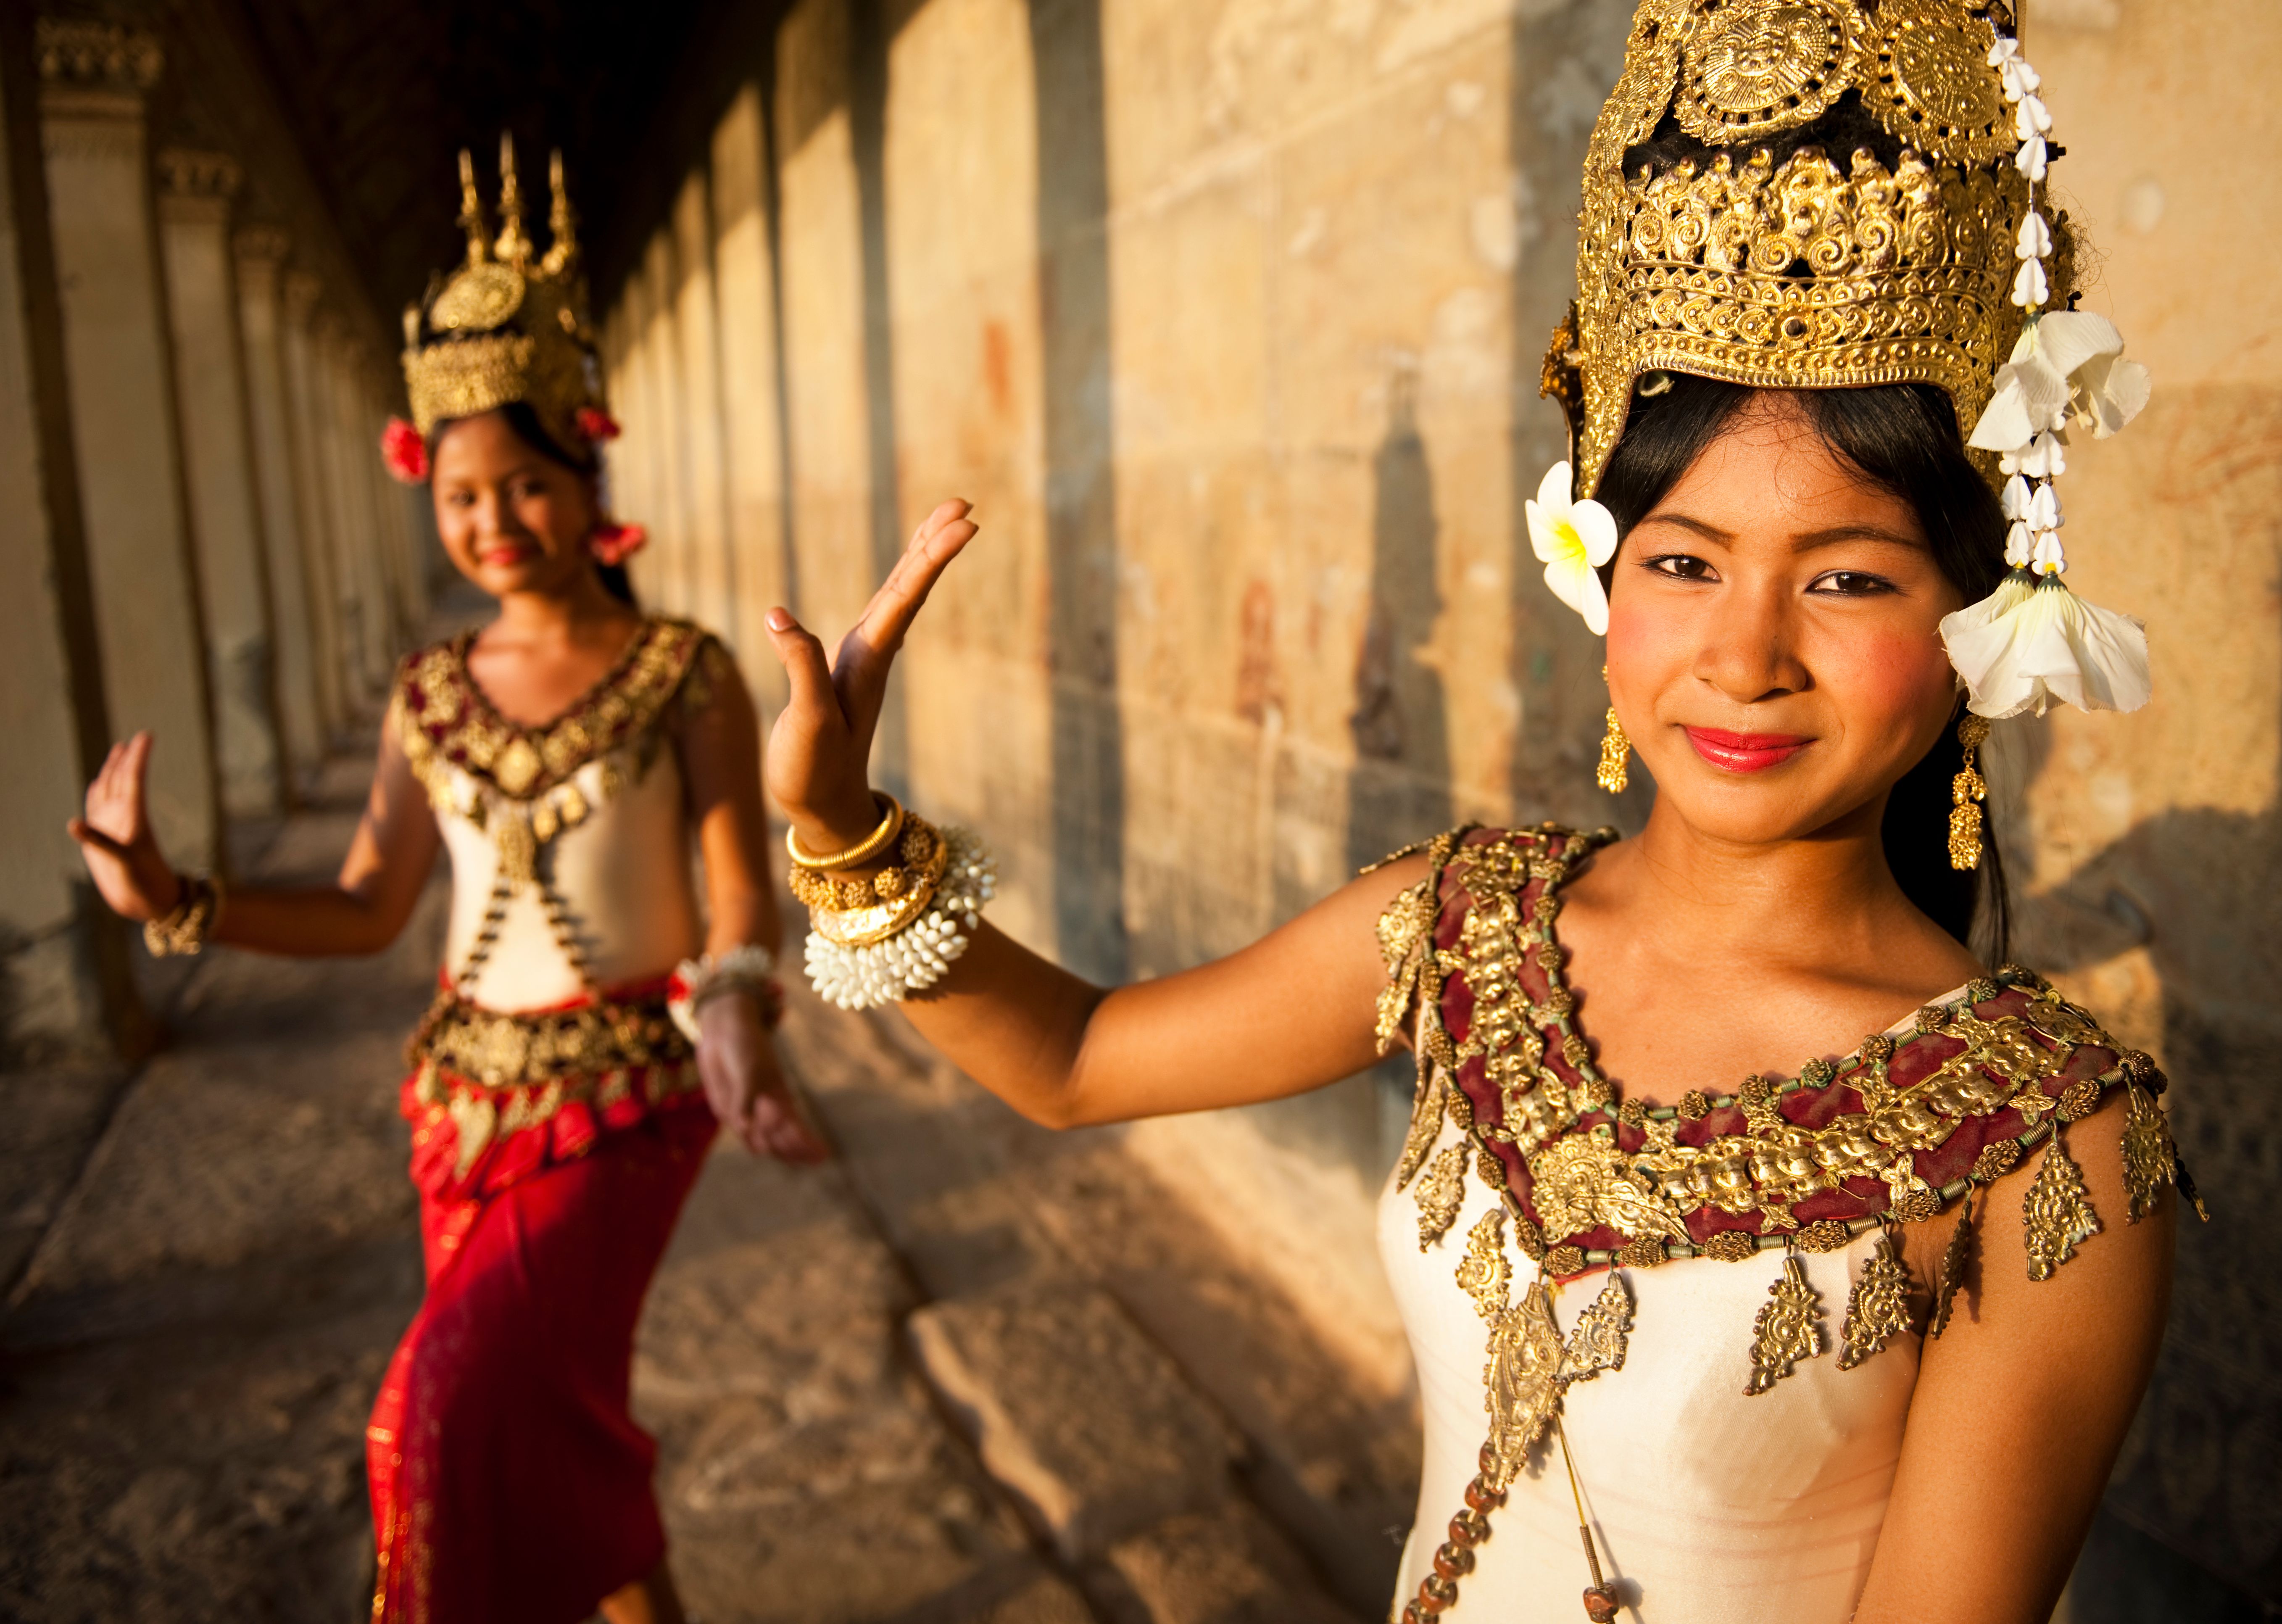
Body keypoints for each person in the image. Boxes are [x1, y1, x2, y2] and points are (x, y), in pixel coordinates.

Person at [754, 5, 2197, 1621]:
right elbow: (1078, 1062)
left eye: (1850, 577)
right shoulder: (1462, 928)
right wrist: (841, 828)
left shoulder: (2042, 1143)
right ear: (1600, 575)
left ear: (1980, 620)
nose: (1744, 655)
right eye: (1683, 561)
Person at [68, 139, 823, 1624]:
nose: (493, 523)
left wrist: (735, 1014)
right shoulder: (429, 691)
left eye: (526, 483)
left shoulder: (687, 672)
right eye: (463, 495)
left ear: (583, 471)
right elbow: (364, 907)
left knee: (434, 1414)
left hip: (623, 1106)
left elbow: (741, 891)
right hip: (456, 1108)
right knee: (552, 1416)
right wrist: (176, 898)